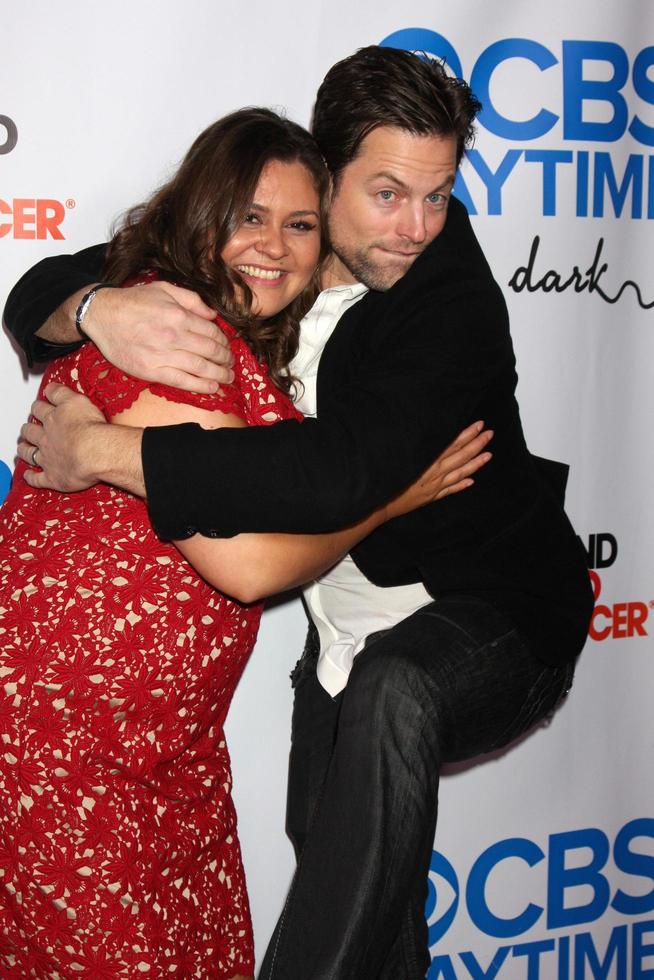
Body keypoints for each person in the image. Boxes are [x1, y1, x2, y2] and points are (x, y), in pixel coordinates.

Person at [6, 48, 593, 980]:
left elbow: (336, 474)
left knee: (393, 692)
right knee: (363, 898)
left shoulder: (450, 300)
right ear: (327, 172)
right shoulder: (265, 258)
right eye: (390, 194)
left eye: (437, 196)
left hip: (498, 618)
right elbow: (46, 287)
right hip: (332, 655)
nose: (417, 228)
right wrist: (95, 306)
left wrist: (102, 452)